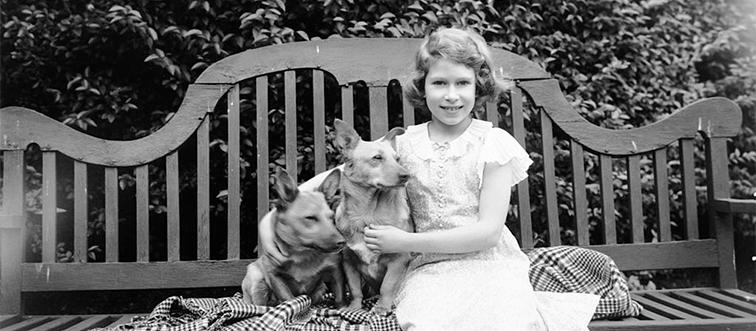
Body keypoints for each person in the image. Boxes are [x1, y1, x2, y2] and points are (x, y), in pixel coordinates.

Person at [259, 27, 599, 330]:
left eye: (462, 83)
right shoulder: (404, 146)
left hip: (488, 265)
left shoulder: (493, 144)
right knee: (427, 319)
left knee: (508, 318)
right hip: (428, 270)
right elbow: (331, 180)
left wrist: (404, 243)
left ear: (479, 86)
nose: (451, 95)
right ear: (423, 86)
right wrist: (268, 225)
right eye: (440, 83)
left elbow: (488, 232)